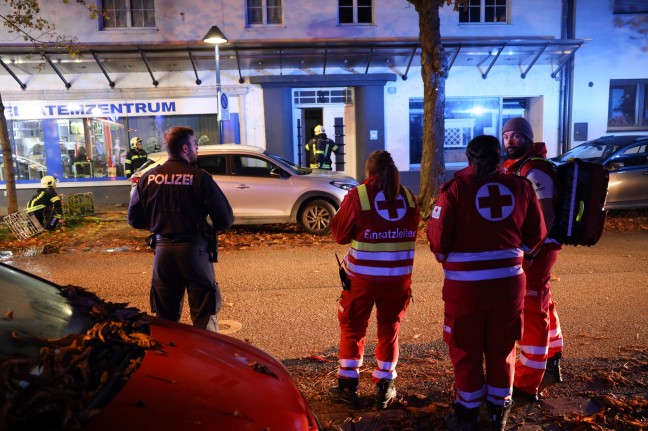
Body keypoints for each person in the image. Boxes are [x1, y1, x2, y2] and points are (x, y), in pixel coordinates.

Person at [427, 135, 546, 431]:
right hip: (508, 287)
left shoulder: (454, 190)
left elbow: (439, 241)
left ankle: (467, 413)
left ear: (469, 158)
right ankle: (498, 411)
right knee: (502, 348)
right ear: (500, 156)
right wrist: (520, 258)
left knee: (465, 349)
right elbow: (537, 235)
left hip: (465, 289)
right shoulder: (521, 187)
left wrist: (449, 258)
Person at [328, 150, 420, 410]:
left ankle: (347, 388)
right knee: (389, 331)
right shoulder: (410, 198)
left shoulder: (359, 196)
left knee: (353, 329)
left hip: (363, 280)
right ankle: (385, 387)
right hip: (398, 280)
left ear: (368, 173)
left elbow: (340, 234)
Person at [127, 126, 234, 332]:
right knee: (204, 315)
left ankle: (170, 361)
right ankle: (206, 359)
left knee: (165, 320)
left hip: (163, 254)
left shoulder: (148, 178)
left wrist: (158, 226)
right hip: (195, 252)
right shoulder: (200, 178)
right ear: (185, 148)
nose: (197, 148)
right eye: (195, 144)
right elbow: (225, 219)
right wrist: (208, 230)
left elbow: (134, 219)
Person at [502, 117, 565, 402]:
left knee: (532, 311)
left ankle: (528, 384)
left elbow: (546, 214)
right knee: (542, 300)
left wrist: (531, 249)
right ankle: (553, 354)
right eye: (506, 136)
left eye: (516, 136)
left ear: (528, 138)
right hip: (538, 247)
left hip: (538, 249)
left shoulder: (534, 170)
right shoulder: (524, 166)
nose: (510, 141)